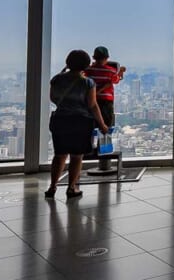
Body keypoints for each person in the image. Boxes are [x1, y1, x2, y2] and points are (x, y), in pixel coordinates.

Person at [48, 49, 108, 199]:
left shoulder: (56, 79)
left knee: (59, 155)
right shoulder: (87, 82)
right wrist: (102, 124)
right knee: (76, 156)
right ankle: (71, 188)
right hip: (80, 121)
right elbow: (93, 105)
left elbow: (53, 98)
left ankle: (52, 186)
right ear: (86, 65)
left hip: (60, 120)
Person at [84, 46, 124, 170]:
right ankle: (104, 151)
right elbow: (116, 80)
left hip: (90, 101)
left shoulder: (88, 70)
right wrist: (120, 72)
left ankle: (87, 149)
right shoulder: (111, 71)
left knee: (89, 126)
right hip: (106, 102)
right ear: (107, 58)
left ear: (94, 58)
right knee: (106, 126)